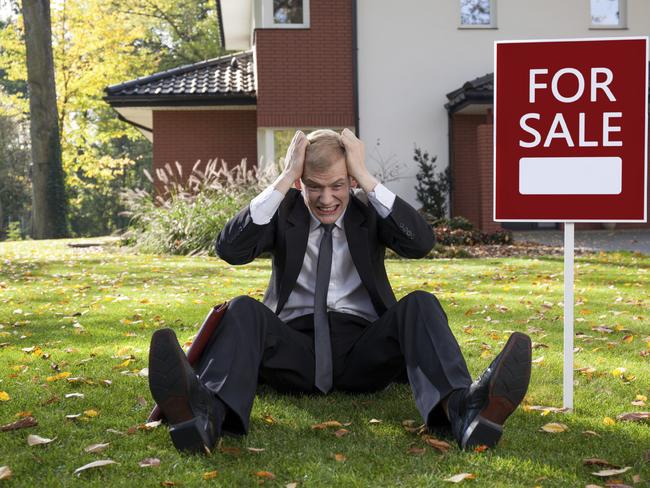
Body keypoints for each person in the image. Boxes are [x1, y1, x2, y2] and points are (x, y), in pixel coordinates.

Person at [148, 129, 532, 455]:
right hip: (292, 351)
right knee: (242, 308)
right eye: (313, 187)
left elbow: (421, 243)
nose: (326, 199)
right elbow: (230, 250)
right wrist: (284, 180)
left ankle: (464, 412)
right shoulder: (285, 213)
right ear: (300, 183)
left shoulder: (368, 213)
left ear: (350, 181)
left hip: (364, 351)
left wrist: (365, 175)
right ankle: (203, 417)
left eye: (337, 185)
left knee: (421, 303)